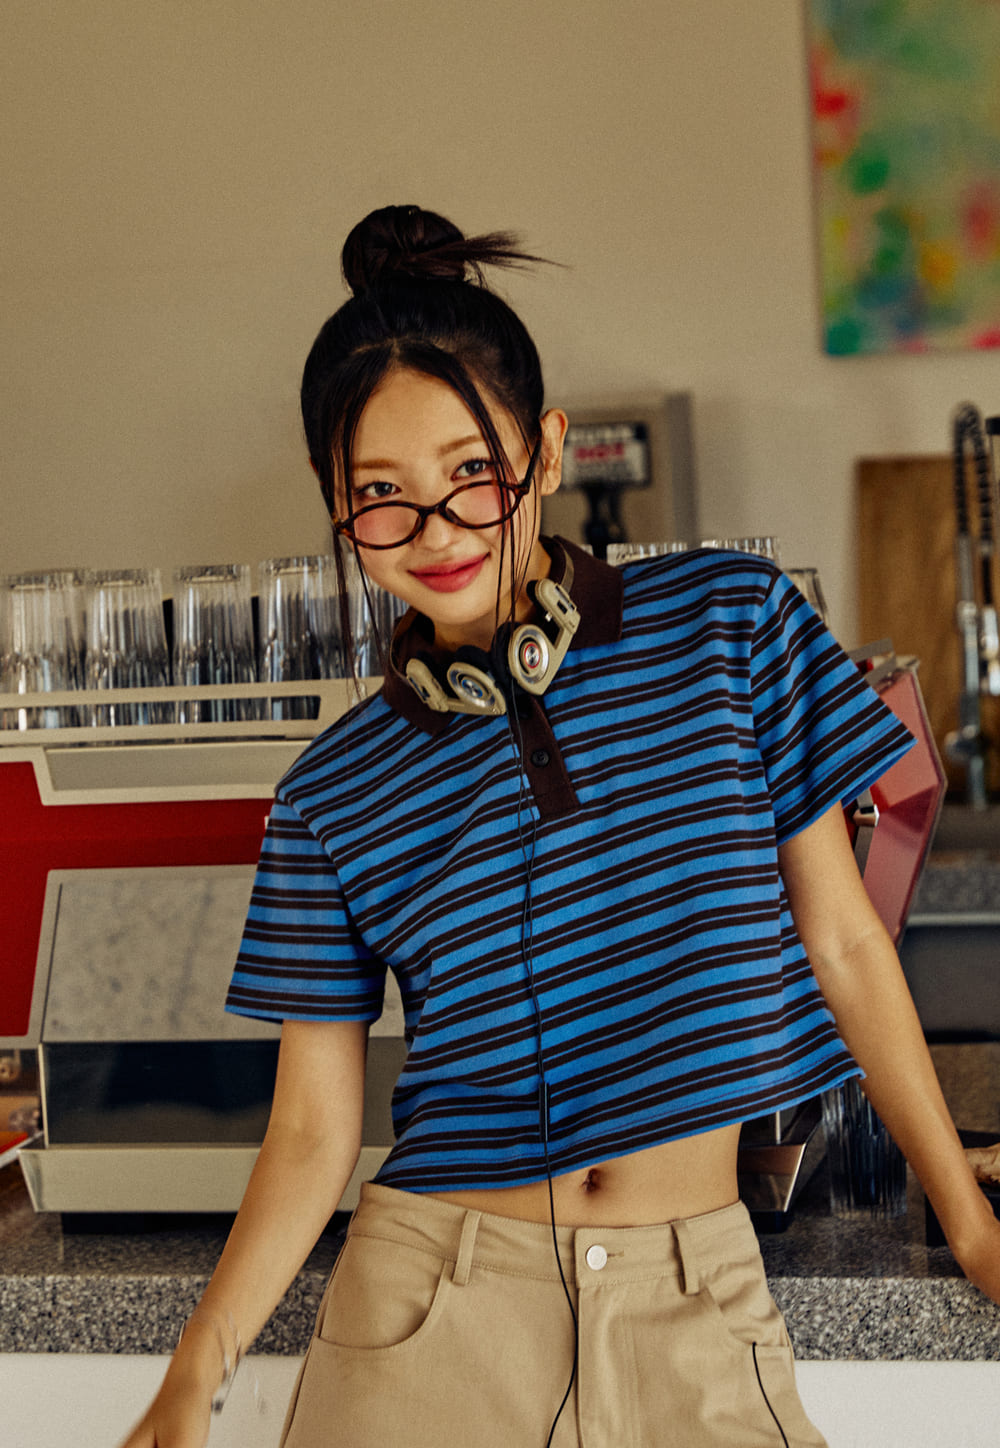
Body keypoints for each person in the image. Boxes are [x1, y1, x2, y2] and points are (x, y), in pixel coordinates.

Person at [121, 204, 1000, 1448]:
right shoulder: (330, 788)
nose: (435, 532)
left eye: (468, 476)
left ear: (542, 452)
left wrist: (966, 1216)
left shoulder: (731, 625)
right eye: (381, 495)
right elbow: (313, 1130)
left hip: (693, 1298)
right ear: (337, 503)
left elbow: (846, 942)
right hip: (429, 1309)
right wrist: (191, 1370)